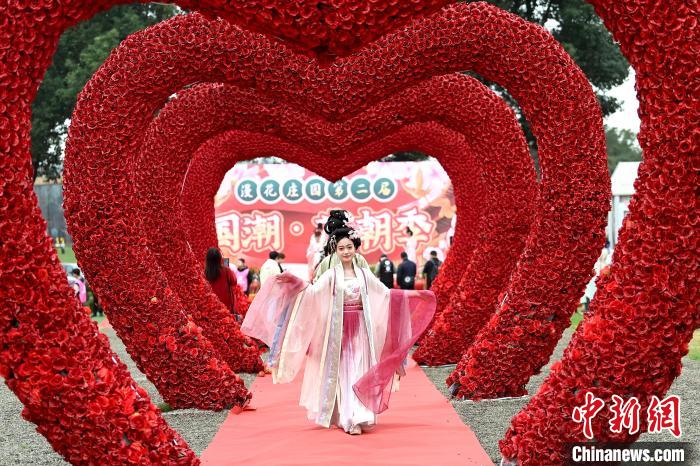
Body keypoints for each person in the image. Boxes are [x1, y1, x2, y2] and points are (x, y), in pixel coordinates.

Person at [242, 210, 436, 435]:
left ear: (355, 248)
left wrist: (413, 298)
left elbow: (385, 295)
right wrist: (294, 283)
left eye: (349, 247)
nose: (345, 251)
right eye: (341, 248)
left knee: (360, 368)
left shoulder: (364, 275)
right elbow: (311, 293)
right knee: (344, 371)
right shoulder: (331, 275)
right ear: (335, 249)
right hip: (338, 331)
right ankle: (348, 417)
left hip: (361, 331)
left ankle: (362, 413)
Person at [204, 247, 239, 319]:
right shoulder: (226, 270)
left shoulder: (205, 272)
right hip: (226, 303)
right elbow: (234, 282)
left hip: (212, 303)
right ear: (219, 258)